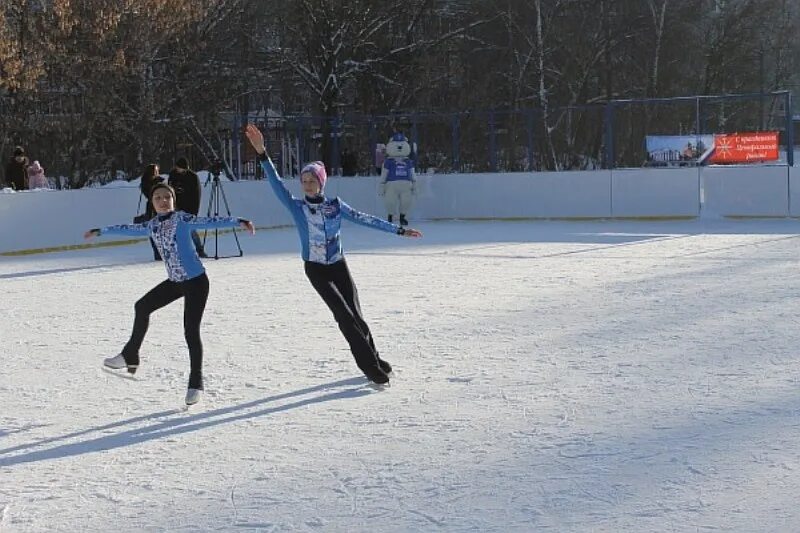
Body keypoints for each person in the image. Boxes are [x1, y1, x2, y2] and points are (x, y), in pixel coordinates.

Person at [244, 123, 422, 385]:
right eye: (304, 181)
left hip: (338, 265)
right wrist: (262, 154)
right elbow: (276, 184)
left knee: (356, 314)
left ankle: (374, 356)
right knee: (344, 317)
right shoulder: (297, 208)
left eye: (312, 180)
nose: (307, 185)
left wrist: (398, 230)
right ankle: (370, 367)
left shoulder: (335, 206)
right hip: (316, 269)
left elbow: (365, 219)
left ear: (321, 182)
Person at [84, 182, 256, 405]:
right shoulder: (152, 225)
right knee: (142, 306)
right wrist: (101, 231)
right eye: (158, 198)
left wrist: (240, 221)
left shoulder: (182, 219)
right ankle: (130, 354)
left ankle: (196, 384)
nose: (163, 201)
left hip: (196, 282)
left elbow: (210, 221)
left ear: (173, 200)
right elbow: (128, 228)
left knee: (190, 332)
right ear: (152, 203)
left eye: (167, 197)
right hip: (175, 281)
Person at [168, 157, 206, 257]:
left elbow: (196, 195)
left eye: (182, 169)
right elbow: (169, 189)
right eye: (178, 168)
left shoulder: (193, 177)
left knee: (191, 229)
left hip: (189, 207)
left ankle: (199, 249)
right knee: (174, 230)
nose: (179, 170)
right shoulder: (173, 174)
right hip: (176, 206)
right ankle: (175, 251)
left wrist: (194, 212)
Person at [139, 163, 163, 261]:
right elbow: (150, 194)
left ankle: (160, 253)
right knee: (154, 231)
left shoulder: (154, 182)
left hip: (158, 208)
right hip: (152, 209)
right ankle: (158, 253)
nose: (157, 173)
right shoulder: (147, 182)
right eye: (156, 171)